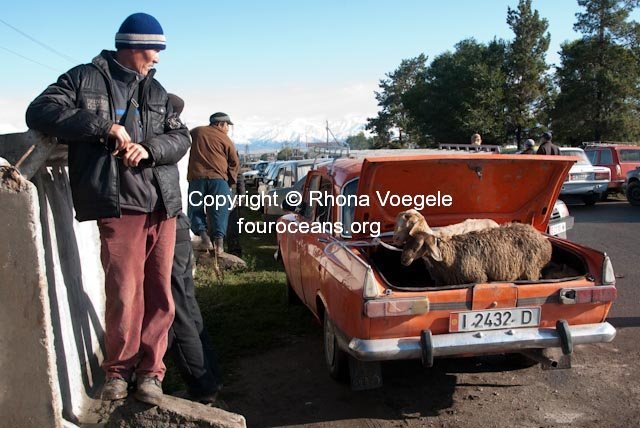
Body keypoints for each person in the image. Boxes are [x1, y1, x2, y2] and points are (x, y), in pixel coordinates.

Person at [26, 13, 191, 405]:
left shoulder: (157, 90)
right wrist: (104, 127)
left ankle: (151, 373)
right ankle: (119, 372)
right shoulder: (84, 79)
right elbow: (40, 111)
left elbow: (180, 137)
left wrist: (150, 149)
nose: (158, 59)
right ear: (133, 46)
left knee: (160, 294)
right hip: (119, 206)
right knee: (124, 292)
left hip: (162, 206)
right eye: (154, 49)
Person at [166, 94, 223, 404]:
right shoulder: (175, 135)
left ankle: (203, 387)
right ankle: (210, 378)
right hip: (178, 224)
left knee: (176, 308)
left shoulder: (164, 137)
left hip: (167, 224)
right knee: (186, 304)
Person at [187, 113, 240, 255]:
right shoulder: (225, 138)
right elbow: (234, 162)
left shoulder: (196, 132)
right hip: (218, 180)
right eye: (227, 125)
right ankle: (219, 245)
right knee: (220, 210)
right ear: (220, 124)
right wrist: (230, 181)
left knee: (195, 209)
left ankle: (204, 238)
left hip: (196, 178)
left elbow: (182, 140)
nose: (228, 128)